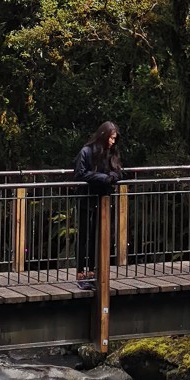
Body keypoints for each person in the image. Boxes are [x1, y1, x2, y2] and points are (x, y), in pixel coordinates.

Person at [72, 121, 122, 288]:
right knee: (84, 237)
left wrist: (114, 175)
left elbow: (120, 170)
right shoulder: (86, 152)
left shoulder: (111, 153)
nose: (113, 142)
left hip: (102, 200)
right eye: (111, 138)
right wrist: (102, 178)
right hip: (86, 198)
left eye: (114, 139)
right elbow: (80, 174)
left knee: (97, 236)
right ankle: (80, 273)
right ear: (104, 136)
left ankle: (93, 272)